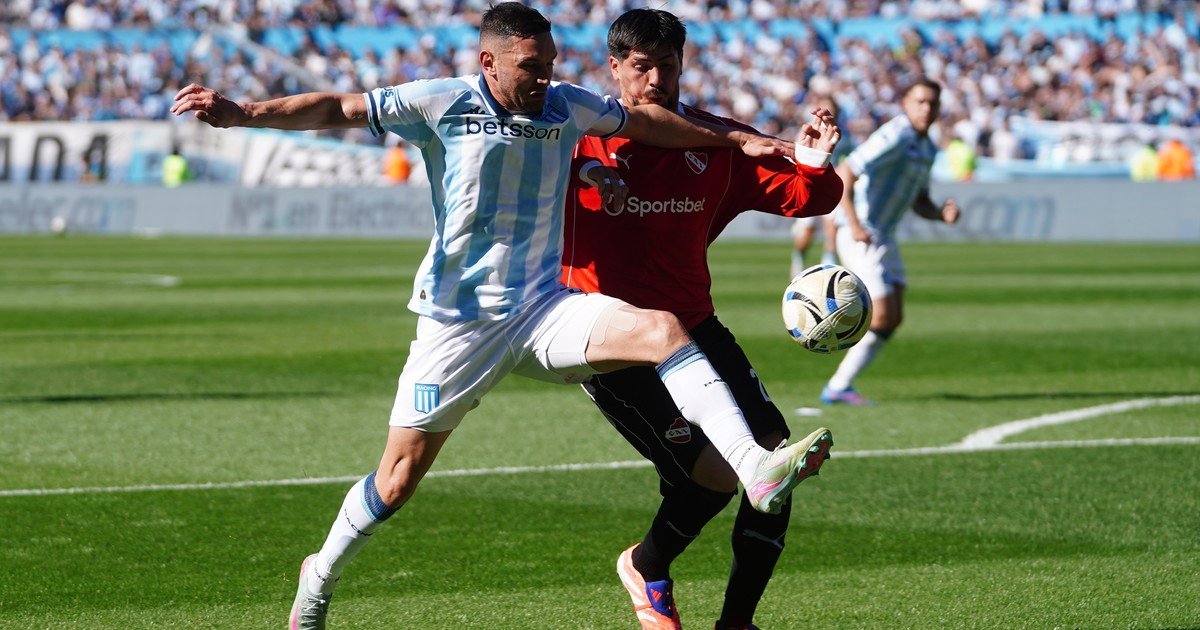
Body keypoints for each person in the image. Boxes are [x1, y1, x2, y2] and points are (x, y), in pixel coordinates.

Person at [170, 4, 827, 628]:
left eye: (548, 64)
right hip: (459, 326)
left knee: (662, 330)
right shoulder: (441, 101)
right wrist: (246, 112)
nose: (543, 80)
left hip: (545, 311)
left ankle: (754, 464)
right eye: (529, 69)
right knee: (396, 482)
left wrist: (744, 141)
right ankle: (318, 579)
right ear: (489, 62)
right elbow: (341, 106)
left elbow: (650, 124)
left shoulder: (568, 104)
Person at [562, 10, 842, 629]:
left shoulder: (716, 140)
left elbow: (806, 196)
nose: (657, 78)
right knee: (716, 475)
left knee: (775, 459)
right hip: (612, 336)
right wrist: (587, 172)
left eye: (668, 64)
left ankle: (736, 622)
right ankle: (646, 564)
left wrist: (817, 164)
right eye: (643, 67)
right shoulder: (579, 136)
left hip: (695, 327)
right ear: (615, 69)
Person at [820, 77, 962, 406]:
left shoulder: (927, 146)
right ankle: (837, 381)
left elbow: (919, 200)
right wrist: (854, 224)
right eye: (920, 102)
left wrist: (941, 213)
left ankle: (840, 385)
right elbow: (846, 171)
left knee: (894, 317)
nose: (926, 108)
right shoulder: (895, 133)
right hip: (863, 232)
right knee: (882, 315)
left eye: (932, 103)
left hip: (884, 235)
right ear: (906, 104)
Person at [790, 93, 848, 277]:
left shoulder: (844, 139)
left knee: (833, 228)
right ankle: (798, 257)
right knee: (808, 230)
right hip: (810, 185)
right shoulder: (809, 133)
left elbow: (847, 163)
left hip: (832, 187)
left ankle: (828, 268)